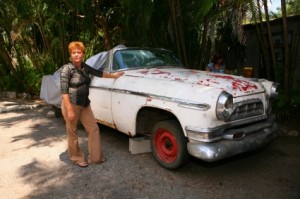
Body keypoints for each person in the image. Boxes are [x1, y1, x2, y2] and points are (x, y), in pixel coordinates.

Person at [60, 41, 124, 167]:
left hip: (85, 105)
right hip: (71, 104)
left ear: (83, 54)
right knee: (72, 132)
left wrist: (114, 76)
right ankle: (77, 158)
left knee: (93, 129)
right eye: (74, 53)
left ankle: (95, 158)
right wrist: (70, 110)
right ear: (71, 55)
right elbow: (64, 92)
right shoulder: (67, 69)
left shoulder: (84, 67)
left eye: (79, 52)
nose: (76, 55)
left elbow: (99, 73)